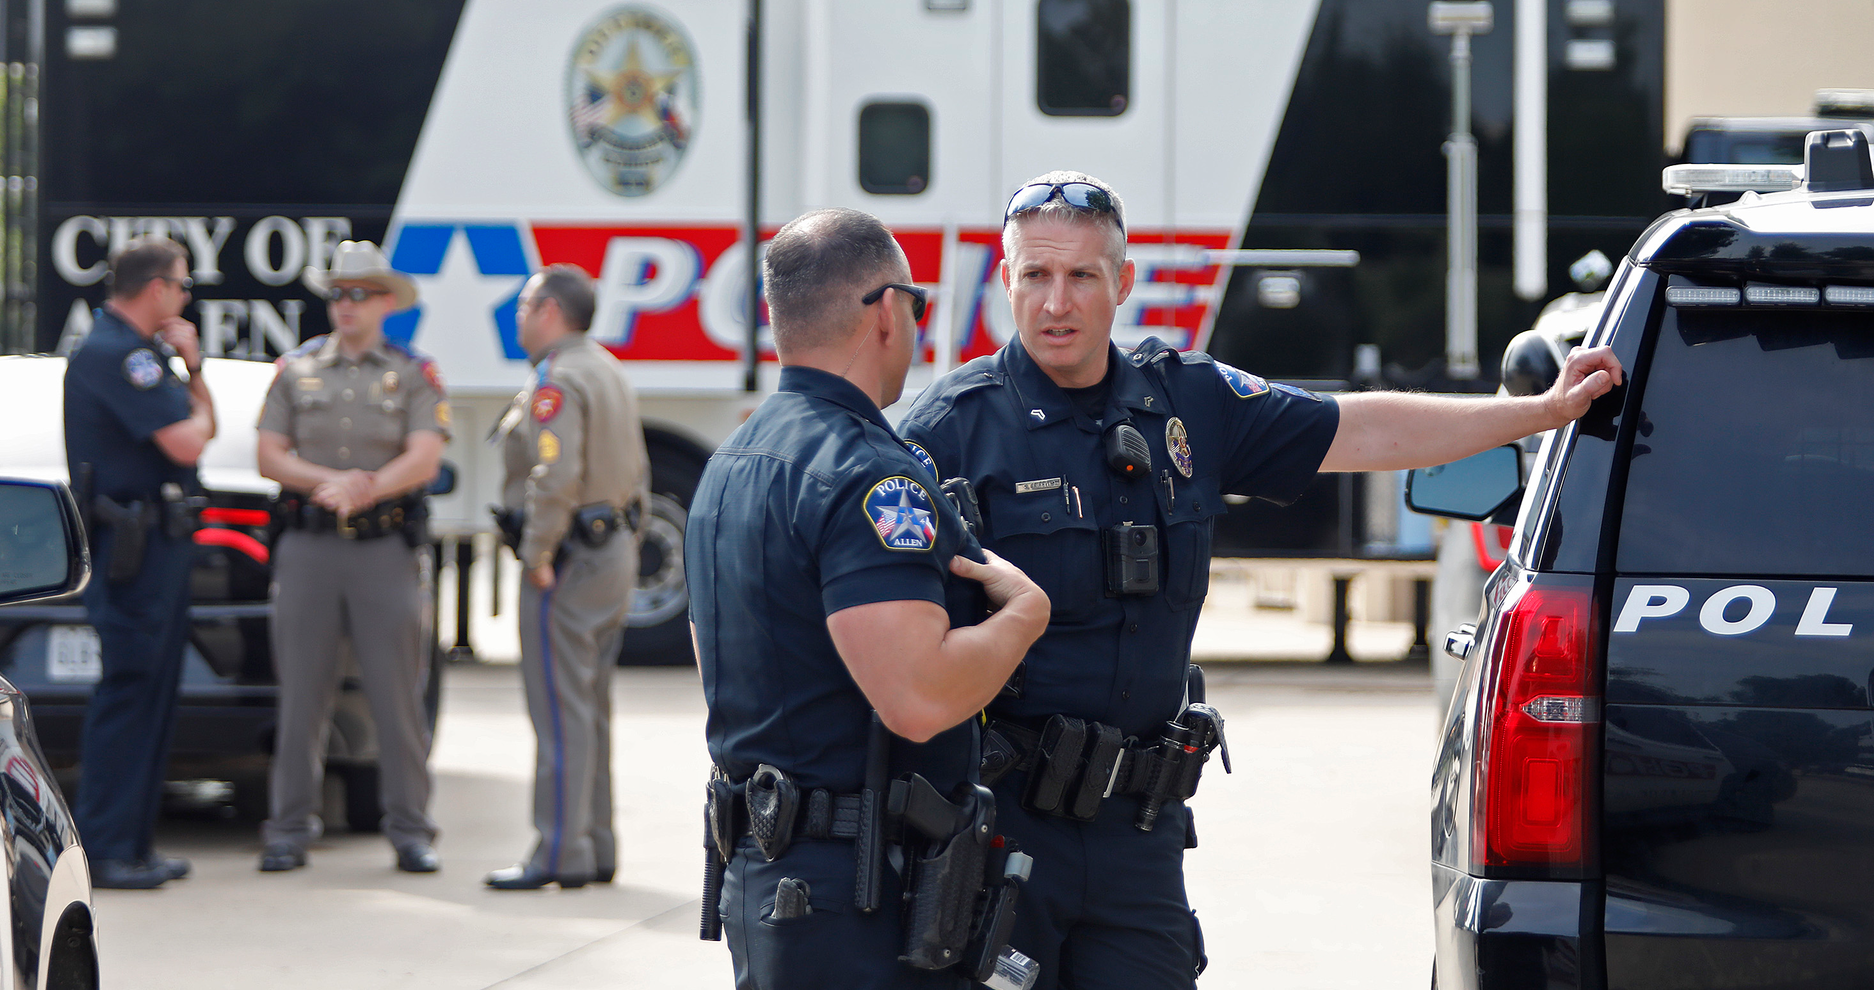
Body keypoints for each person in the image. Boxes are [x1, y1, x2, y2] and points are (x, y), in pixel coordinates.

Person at [897, 171, 1624, 990]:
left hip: (1140, 838)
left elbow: (1364, 428)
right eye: (1034, 275)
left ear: (1124, 281)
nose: (1054, 303)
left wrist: (1533, 414)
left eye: (1080, 276)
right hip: (1005, 833)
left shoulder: (1188, 403)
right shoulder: (950, 433)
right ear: (1006, 279)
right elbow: (890, 645)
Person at [686, 208, 1051, 990]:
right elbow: (917, 699)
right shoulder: (870, 474)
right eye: (916, 304)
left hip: (771, 873)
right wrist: (1025, 617)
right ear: (886, 310)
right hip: (854, 898)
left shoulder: (731, 463)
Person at [254, 240, 449, 874]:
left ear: (386, 302)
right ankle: (287, 828)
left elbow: (425, 456)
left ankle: (411, 829)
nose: (347, 305)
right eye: (338, 294)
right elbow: (269, 453)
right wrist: (324, 484)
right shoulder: (296, 370)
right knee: (301, 695)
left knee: (397, 695)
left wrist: (364, 486)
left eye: (360, 294)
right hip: (308, 549)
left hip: (382, 551)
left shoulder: (415, 372)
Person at [484, 264, 651, 890]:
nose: (520, 316)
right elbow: (637, 468)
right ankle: (596, 843)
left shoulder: (557, 380)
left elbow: (555, 477)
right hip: (610, 552)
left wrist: (538, 555)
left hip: (571, 561)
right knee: (591, 708)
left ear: (550, 310)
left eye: (526, 304)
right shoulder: (605, 366)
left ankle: (558, 852)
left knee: (559, 709)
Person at [62, 236, 217, 890]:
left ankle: (135, 844)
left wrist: (195, 372)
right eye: (181, 286)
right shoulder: (115, 356)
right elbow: (187, 440)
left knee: (154, 695)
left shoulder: (146, 355)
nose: (184, 298)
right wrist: (198, 379)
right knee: (128, 696)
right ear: (156, 287)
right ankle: (106, 848)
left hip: (158, 547)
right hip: (133, 554)